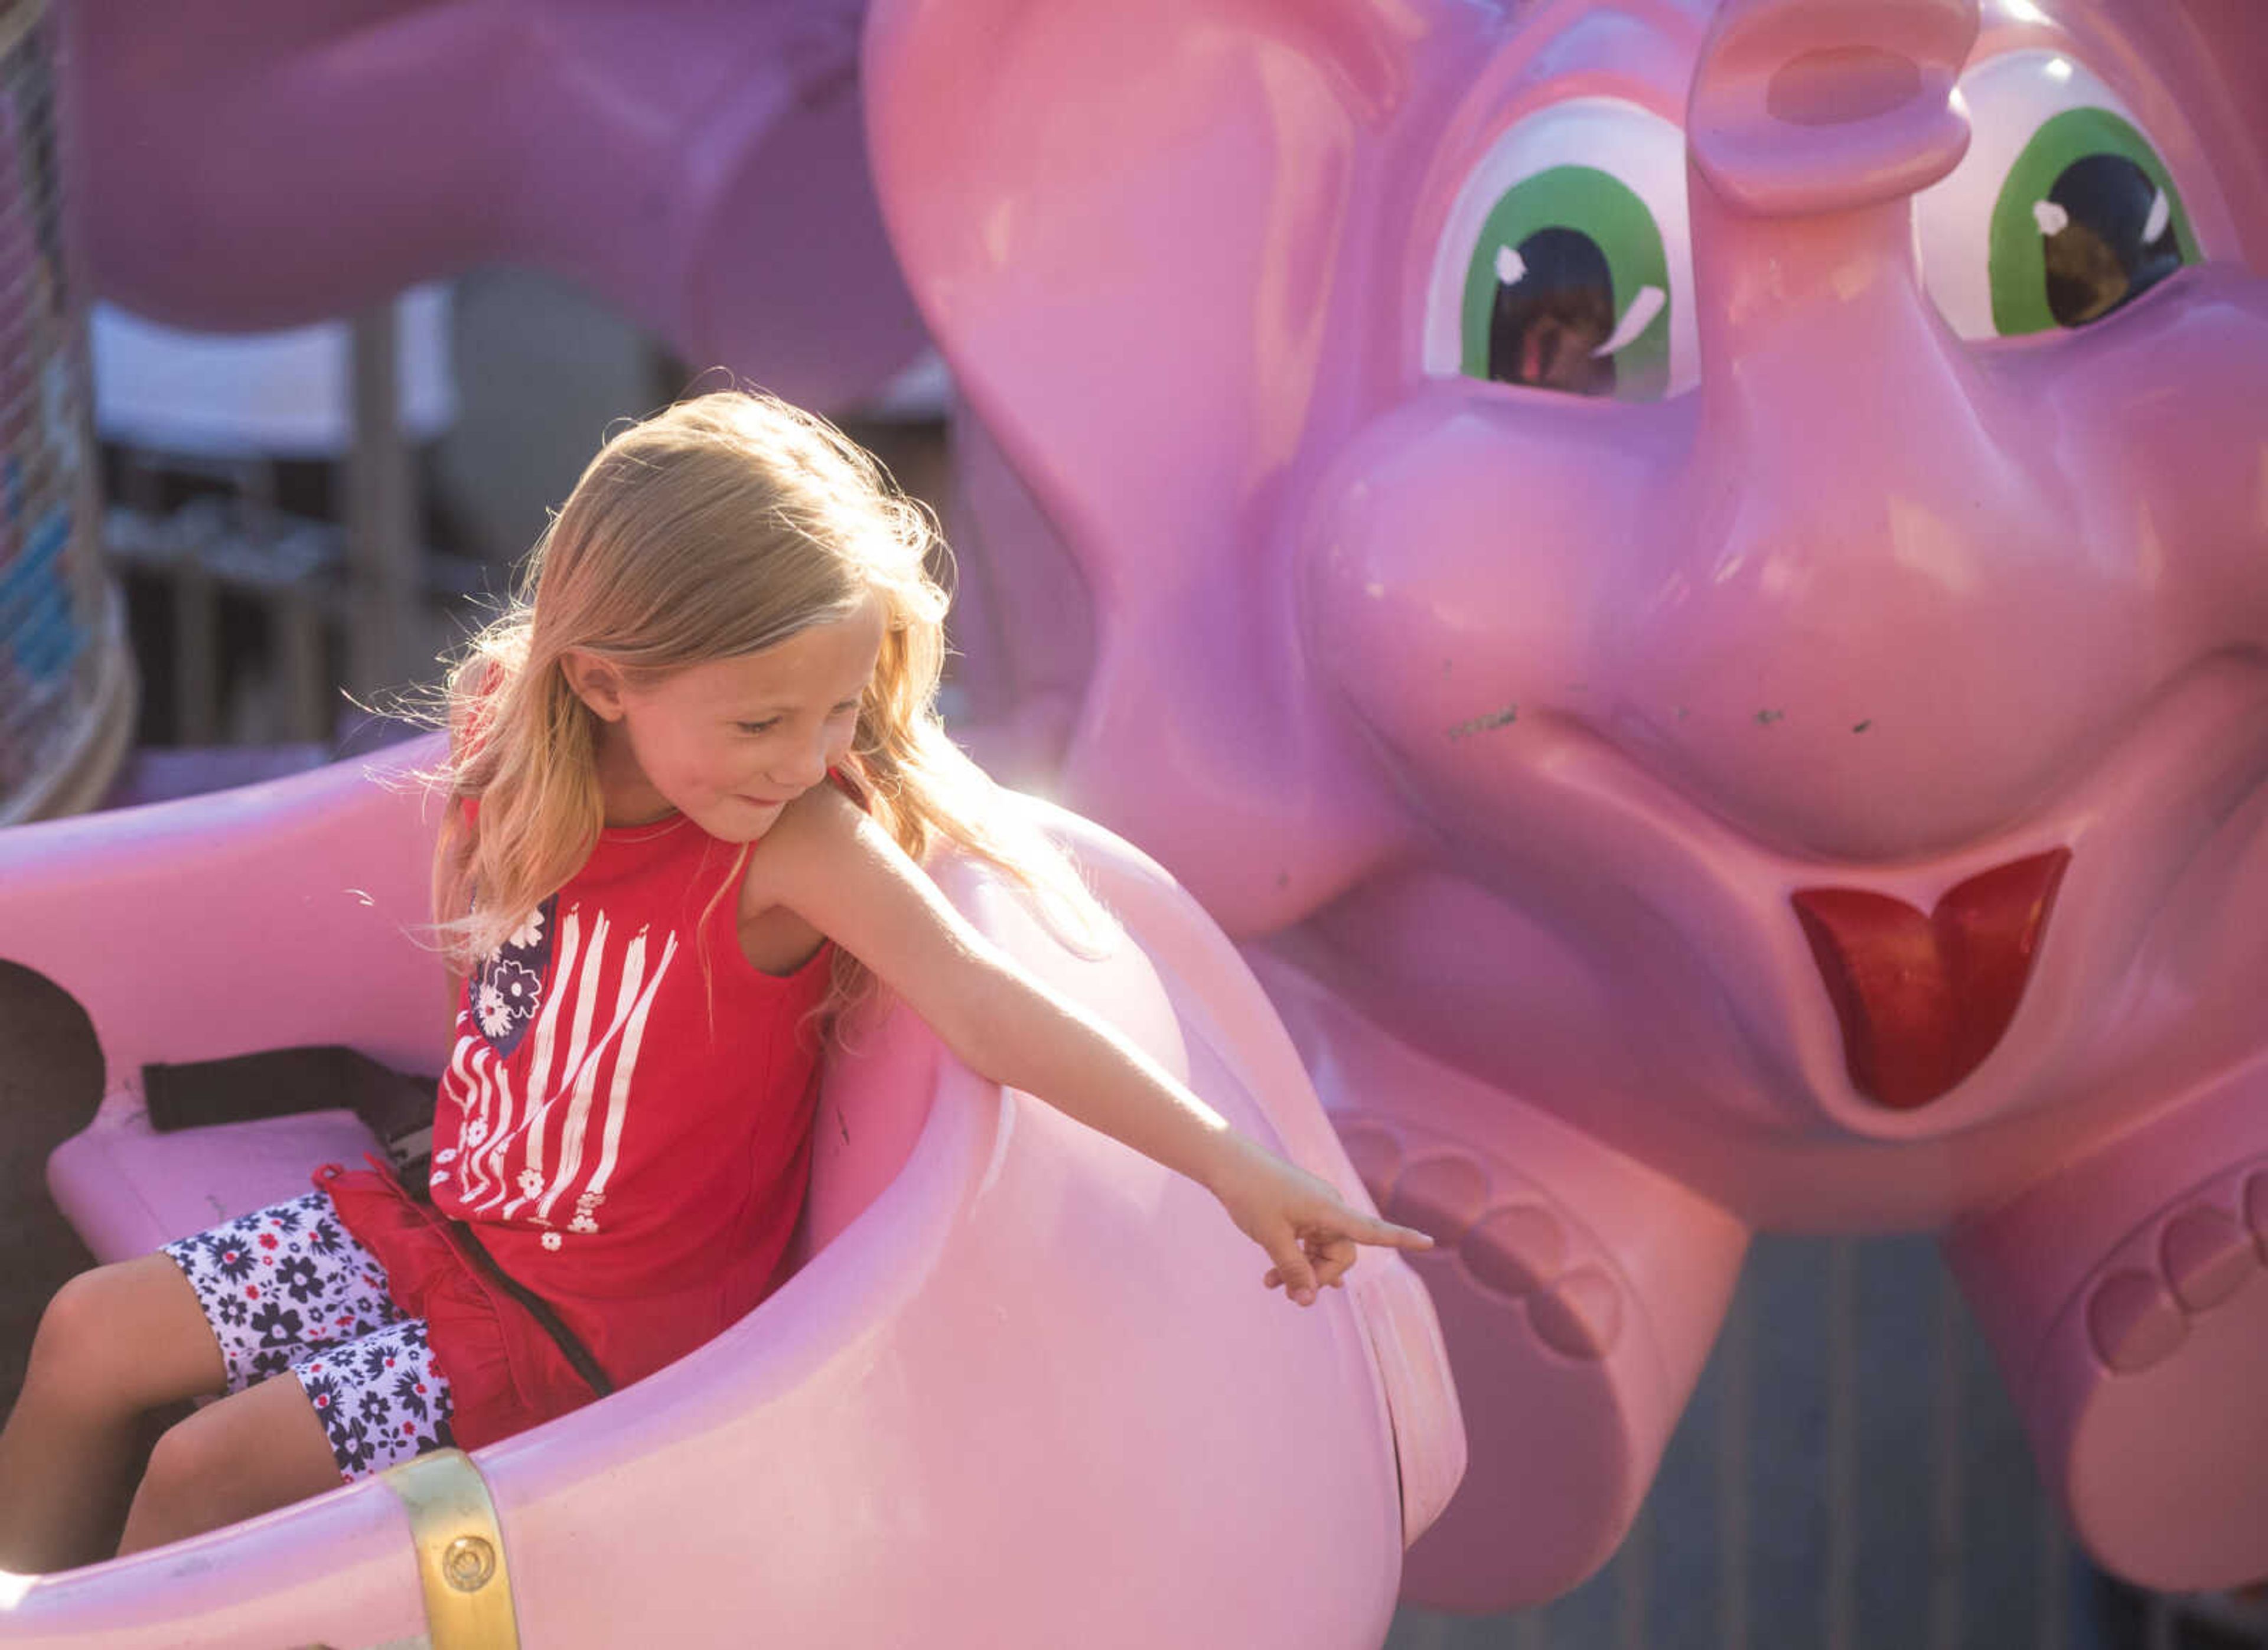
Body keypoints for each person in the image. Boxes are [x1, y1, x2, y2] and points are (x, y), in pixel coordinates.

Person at [0, 388, 1432, 1573]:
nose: (808, 757)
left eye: (835, 711)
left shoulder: (790, 846)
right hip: (446, 1222)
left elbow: (991, 1004)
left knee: (205, 1465)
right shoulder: (511, 736)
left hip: (574, 1338)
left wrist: (1235, 1164)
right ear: (607, 680)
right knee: (83, 1334)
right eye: (762, 718)